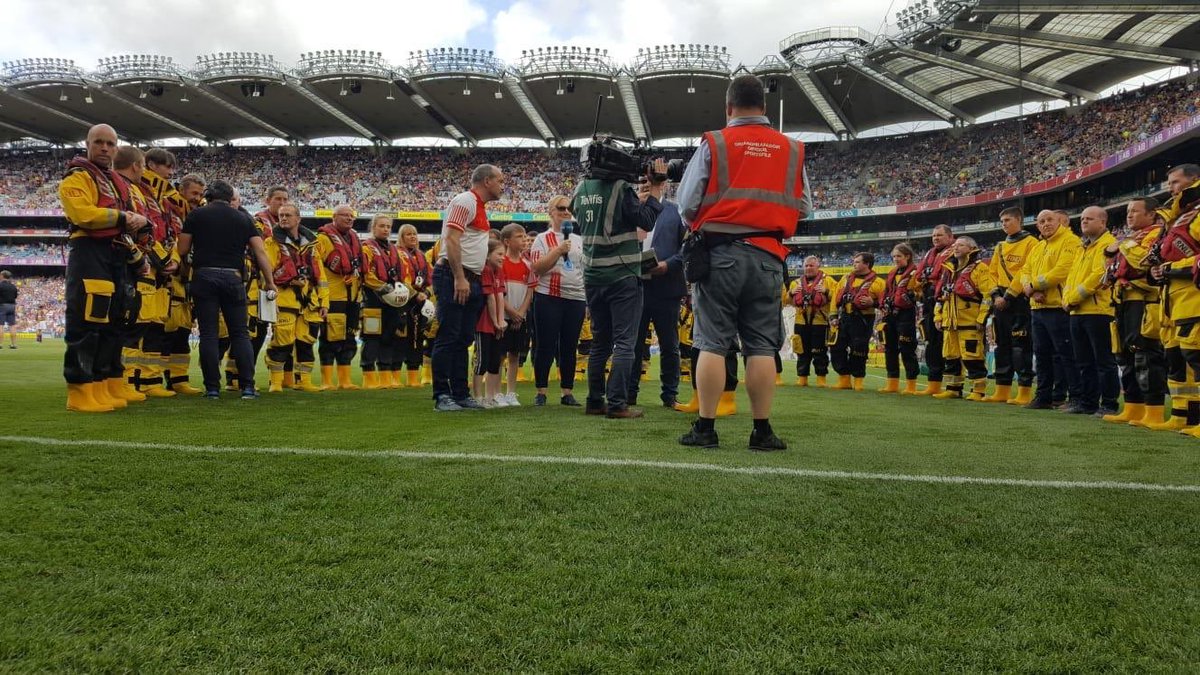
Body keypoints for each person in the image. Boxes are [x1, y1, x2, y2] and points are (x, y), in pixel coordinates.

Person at [675, 74, 809, 449]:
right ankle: (762, 431)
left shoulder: (715, 143)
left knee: (712, 343)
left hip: (719, 256)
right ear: (764, 108)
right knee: (761, 347)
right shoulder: (793, 149)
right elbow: (805, 208)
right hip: (768, 257)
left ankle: (705, 428)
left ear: (728, 107)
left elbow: (686, 205)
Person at [58, 123, 149, 412]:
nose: (105, 148)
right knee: (87, 323)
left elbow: (133, 219)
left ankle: (102, 384)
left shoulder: (114, 182)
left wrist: (138, 227)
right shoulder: (77, 177)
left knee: (113, 323)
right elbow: (82, 214)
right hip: (89, 253)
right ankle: (80, 389)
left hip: (116, 255)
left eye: (110, 143)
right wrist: (124, 218)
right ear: (87, 144)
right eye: (99, 142)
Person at [571, 152, 664, 420]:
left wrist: (639, 200)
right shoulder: (621, 188)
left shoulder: (581, 188)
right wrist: (656, 191)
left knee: (601, 343)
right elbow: (645, 221)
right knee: (625, 343)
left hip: (593, 276)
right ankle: (617, 404)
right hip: (622, 275)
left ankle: (594, 400)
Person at [176, 179, 276, 399]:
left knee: (209, 334)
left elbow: (182, 248)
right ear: (230, 197)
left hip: (204, 275)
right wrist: (270, 282)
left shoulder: (197, 215)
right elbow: (260, 252)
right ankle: (247, 387)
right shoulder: (243, 218)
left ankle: (212, 388)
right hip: (233, 277)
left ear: (209, 195)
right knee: (240, 333)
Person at [432, 164, 505, 412]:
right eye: (500, 180)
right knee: (448, 336)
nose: (502, 185)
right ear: (486, 181)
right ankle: (442, 394)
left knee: (463, 339)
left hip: (470, 277)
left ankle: (461, 393)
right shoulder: (465, 201)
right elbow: (451, 239)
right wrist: (459, 277)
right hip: (456, 276)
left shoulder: (478, 206)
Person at [1105, 197, 1167, 426]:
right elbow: (1110, 270)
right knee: (1124, 355)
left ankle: (1154, 411)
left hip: (1144, 302)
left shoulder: (1156, 234)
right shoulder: (1130, 238)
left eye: (1135, 211)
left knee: (1145, 355)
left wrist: (1125, 245)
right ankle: (1133, 406)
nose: (1129, 215)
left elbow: (1142, 263)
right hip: (1122, 301)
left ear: (1151, 215)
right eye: (1128, 211)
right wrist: (1122, 246)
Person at [1148, 163, 1200, 433]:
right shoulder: (1176, 218)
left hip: (1193, 296)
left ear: (1194, 181)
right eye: (1169, 183)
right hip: (1172, 300)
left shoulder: (1196, 214)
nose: (1171, 187)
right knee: (1176, 360)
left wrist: (1169, 268)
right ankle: (1182, 415)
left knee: (1196, 356)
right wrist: (1158, 269)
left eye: (1176, 182)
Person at [1021, 209, 1082, 410]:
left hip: (1058, 307)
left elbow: (1063, 270)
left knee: (1066, 354)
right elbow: (1024, 272)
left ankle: (1075, 397)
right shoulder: (1038, 247)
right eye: (1041, 221)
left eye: (1050, 220)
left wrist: (1035, 285)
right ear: (1037, 225)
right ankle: (1043, 396)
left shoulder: (1071, 241)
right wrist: (1031, 291)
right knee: (1042, 354)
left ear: (1060, 222)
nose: (1046, 224)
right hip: (1037, 308)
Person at [529, 195, 586, 407]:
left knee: (570, 346)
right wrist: (558, 250)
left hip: (576, 298)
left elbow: (584, 270)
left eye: (569, 208)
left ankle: (567, 392)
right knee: (545, 345)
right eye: (561, 208)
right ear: (551, 212)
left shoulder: (579, 240)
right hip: (548, 297)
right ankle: (541, 391)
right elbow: (537, 268)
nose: (566, 212)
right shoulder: (542, 239)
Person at [629, 198, 688, 408]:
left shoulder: (676, 211)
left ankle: (670, 394)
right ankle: (629, 394)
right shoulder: (630, 209)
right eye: (642, 181)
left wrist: (668, 265)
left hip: (667, 287)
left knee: (670, 345)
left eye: (649, 180)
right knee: (633, 344)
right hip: (636, 287)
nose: (645, 185)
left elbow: (687, 246)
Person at [263, 203, 325, 393]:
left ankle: (304, 381)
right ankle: (276, 382)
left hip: (310, 302)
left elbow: (321, 277)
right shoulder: (271, 243)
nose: (283, 218)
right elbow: (267, 273)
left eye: (288, 215)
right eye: (281, 215)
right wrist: (289, 281)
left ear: (298, 219)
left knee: (307, 343)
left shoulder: (312, 244)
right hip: (284, 300)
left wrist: (325, 303)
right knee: (281, 342)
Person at [1063, 206, 1119, 415]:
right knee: (1084, 361)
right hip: (1077, 312)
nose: (1084, 221)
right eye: (1083, 218)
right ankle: (1087, 403)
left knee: (1103, 361)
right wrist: (1067, 299)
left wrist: (1073, 298)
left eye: (1090, 218)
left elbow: (1099, 275)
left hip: (1099, 310)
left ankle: (1109, 404)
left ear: (1103, 222)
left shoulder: (1109, 245)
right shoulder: (1082, 247)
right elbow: (1071, 277)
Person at [935, 237, 997, 400]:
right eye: (955, 245)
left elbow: (988, 295)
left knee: (973, 357)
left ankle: (978, 390)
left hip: (970, 321)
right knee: (951, 357)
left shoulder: (980, 268)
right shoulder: (948, 269)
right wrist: (938, 315)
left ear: (972, 248)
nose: (956, 247)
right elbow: (941, 296)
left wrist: (981, 318)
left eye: (961, 245)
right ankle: (953, 388)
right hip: (950, 323)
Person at [986, 207, 1037, 404]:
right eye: (1002, 221)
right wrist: (996, 295)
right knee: (1002, 345)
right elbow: (991, 274)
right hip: (999, 302)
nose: (1004, 224)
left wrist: (1008, 295)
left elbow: (1026, 270)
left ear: (1019, 220)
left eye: (1008, 220)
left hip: (1019, 300)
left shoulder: (1032, 243)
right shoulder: (999, 247)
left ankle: (1024, 391)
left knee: (1021, 347)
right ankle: (1002, 388)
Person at [315, 204, 363, 391]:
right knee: (328, 339)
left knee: (349, 338)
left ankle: (345, 379)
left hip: (353, 297)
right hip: (333, 297)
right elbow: (315, 266)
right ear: (334, 217)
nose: (349, 218)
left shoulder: (355, 238)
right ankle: (327, 380)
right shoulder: (322, 239)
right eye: (345, 215)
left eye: (352, 216)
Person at [360, 213, 407, 390]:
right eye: (382, 226)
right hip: (373, 300)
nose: (386, 229)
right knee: (371, 337)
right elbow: (366, 274)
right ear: (373, 228)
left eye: (388, 226)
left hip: (392, 302)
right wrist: (383, 287)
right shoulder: (366, 248)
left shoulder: (394, 249)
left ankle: (386, 375)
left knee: (389, 336)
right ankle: (369, 375)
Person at [829, 252, 885, 392]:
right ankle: (844, 379)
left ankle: (858, 380)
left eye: (857, 262)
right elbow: (835, 297)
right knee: (836, 347)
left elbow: (885, 302)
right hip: (844, 318)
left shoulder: (878, 282)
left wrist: (873, 302)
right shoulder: (845, 279)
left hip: (863, 320)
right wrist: (833, 316)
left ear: (867, 264)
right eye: (853, 261)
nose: (854, 264)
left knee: (859, 349)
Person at [912, 225, 954, 395]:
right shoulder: (929, 254)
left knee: (949, 344)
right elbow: (919, 276)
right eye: (934, 235)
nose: (936, 238)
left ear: (950, 237)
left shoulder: (954, 252)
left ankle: (954, 387)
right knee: (932, 343)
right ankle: (934, 384)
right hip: (929, 302)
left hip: (946, 302)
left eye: (940, 235)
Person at [787, 256, 837, 387]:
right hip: (800, 322)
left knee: (819, 351)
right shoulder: (795, 283)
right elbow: (787, 302)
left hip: (820, 322)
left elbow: (837, 297)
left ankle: (821, 379)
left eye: (811, 266)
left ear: (818, 266)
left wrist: (826, 291)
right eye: (806, 266)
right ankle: (802, 378)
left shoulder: (828, 281)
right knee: (801, 351)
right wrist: (791, 293)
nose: (808, 268)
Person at [499, 223, 534, 406]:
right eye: (519, 237)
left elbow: (529, 292)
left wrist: (520, 313)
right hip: (503, 316)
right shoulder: (500, 263)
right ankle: (496, 392)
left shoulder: (528, 265)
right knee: (499, 355)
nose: (524, 240)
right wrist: (511, 312)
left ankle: (511, 392)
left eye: (525, 236)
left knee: (515, 355)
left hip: (520, 317)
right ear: (507, 241)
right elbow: (498, 293)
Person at [879, 243, 920, 394]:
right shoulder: (891, 273)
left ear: (907, 256)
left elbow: (919, 291)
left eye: (899, 256)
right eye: (894, 256)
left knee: (906, 348)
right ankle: (892, 383)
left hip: (906, 314)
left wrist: (912, 296)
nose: (896, 259)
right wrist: (883, 305)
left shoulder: (915, 272)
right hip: (890, 314)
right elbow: (886, 291)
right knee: (889, 348)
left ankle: (911, 385)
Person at [397, 223, 431, 387]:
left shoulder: (422, 256)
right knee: (398, 338)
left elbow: (431, 279)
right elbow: (400, 278)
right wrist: (415, 294)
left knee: (417, 340)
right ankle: (391, 376)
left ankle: (413, 377)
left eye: (414, 234)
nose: (412, 237)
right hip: (401, 303)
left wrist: (427, 294)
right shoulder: (397, 254)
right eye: (408, 234)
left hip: (420, 304)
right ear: (401, 238)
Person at [476, 238, 508, 406]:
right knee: (481, 361)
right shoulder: (486, 270)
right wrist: (496, 321)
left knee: (495, 361)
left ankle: (491, 396)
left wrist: (501, 320)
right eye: (499, 254)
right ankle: (478, 397)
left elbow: (500, 297)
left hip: (496, 324)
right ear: (488, 255)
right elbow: (490, 298)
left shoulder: (499, 271)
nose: (503, 257)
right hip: (484, 323)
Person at [0, 271, 17, 349]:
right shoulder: (13, 286)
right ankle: (13, 344)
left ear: (2, 276)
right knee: (12, 325)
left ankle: (0, 344)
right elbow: (15, 296)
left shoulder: (0, 285)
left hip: (2, 306)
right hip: (12, 306)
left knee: (1, 325)